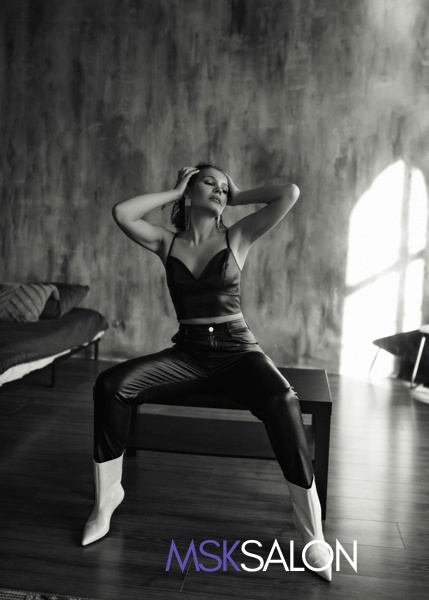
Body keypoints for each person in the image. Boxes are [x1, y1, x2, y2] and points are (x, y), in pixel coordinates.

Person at [81, 163, 332, 582]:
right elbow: (122, 212)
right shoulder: (166, 242)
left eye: (223, 187)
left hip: (238, 351)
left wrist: (239, 194)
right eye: (208, 183)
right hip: (189, 354)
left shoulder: (238, 236)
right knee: (111, 385)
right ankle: (106, 500)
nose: (218, 190)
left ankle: (311, 533)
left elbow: (289, 192)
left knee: (282, 399)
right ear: (190, 191)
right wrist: (174, 189)